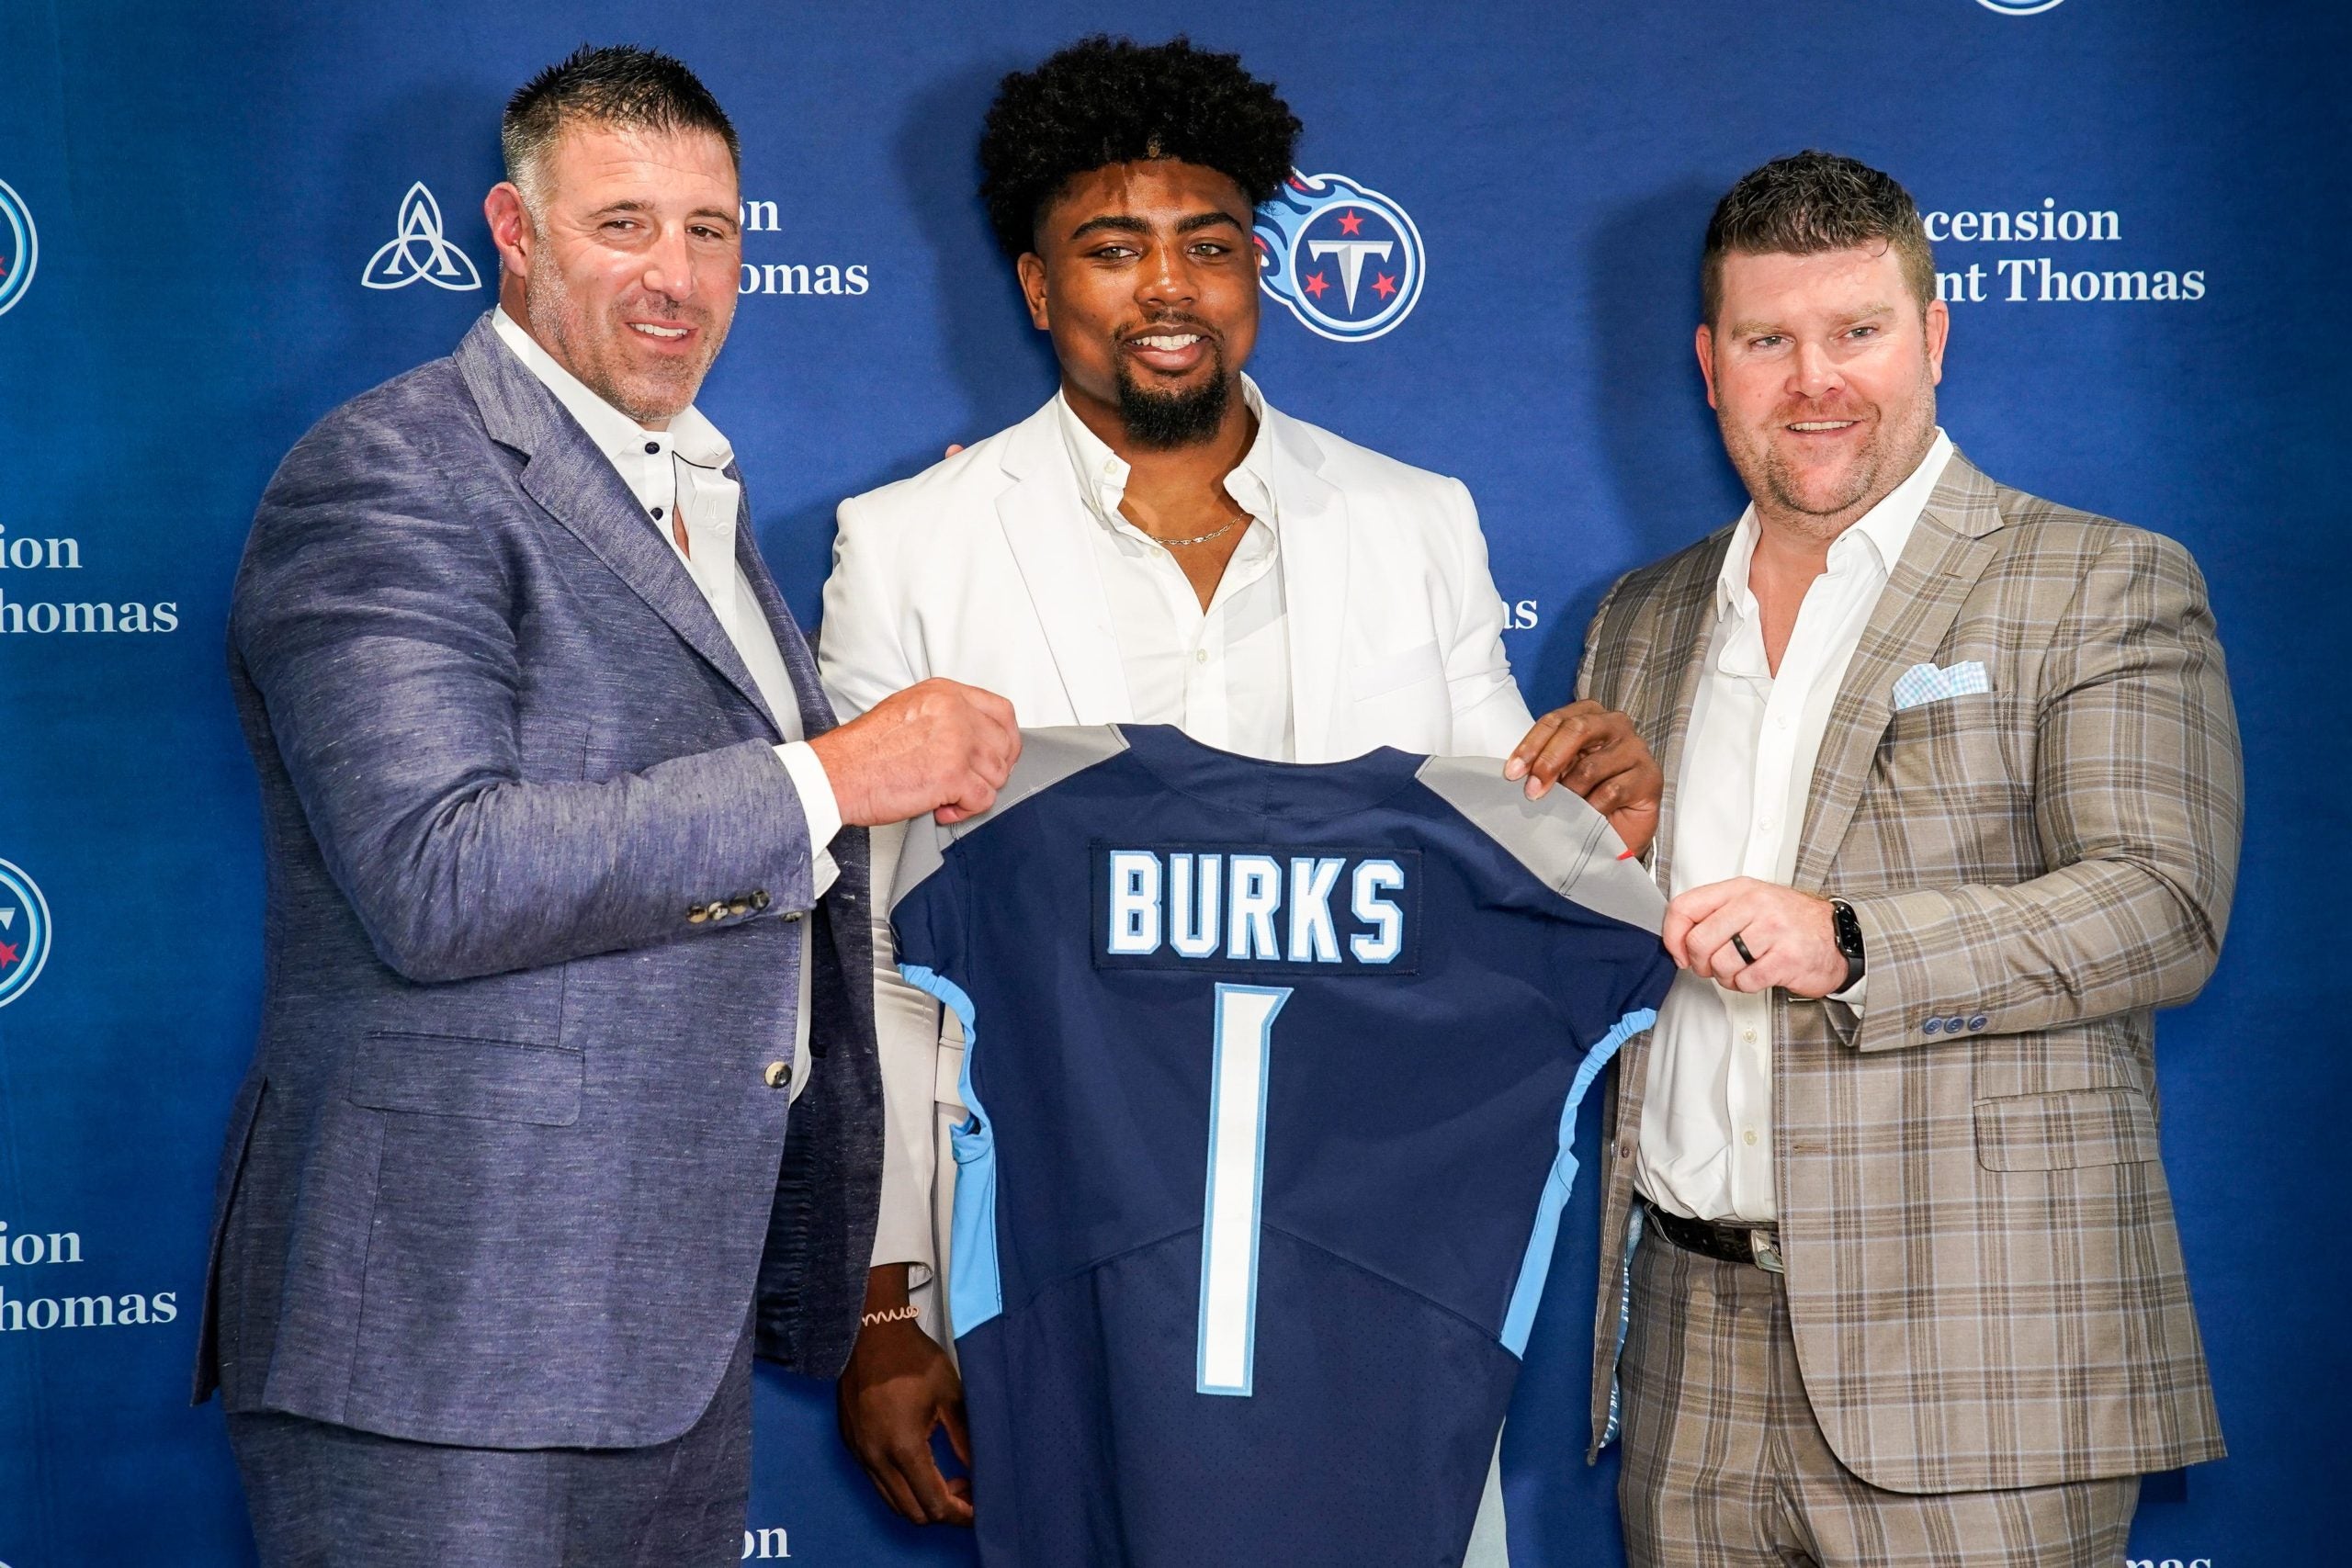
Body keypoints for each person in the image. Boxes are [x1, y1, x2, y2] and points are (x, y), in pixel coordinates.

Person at [818, 34, 1658, 1559]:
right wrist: (885, 1296)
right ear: (1033, 286)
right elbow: (870, 952)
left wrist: (1595, 814)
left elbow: (1496, 866)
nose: (1167, 289)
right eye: (1112, 247)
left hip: (1377, 1246)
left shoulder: (1412, 522)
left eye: (1209, 245)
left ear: (1254, 271)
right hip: (1059, 1242)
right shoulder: (913, 544)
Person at [193, 45, 1018, 1566]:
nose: (675, 276)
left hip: (658, 1329)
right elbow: (439, 872)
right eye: (622, 223)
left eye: (711, 231)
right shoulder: (391, 471)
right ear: (513, 234)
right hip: (447, 1333)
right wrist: (835, 775)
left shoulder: (695, 486)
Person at [1576, 151, 2240, 1567]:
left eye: (1856, 332)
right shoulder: (1634, 619)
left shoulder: (2098, 579)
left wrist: (1856, 941)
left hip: (1981, 1356)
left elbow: (2163, 906)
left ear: (1932, 336)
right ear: (1711, 364)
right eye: (1769, 341)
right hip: (1689, 1356)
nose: (1813, 381)